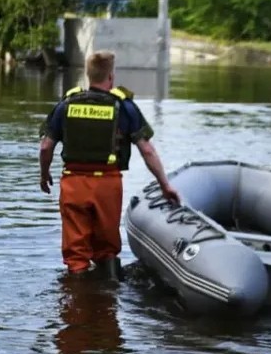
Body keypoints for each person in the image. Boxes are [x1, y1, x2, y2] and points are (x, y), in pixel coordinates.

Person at [39, 51, 181, 278]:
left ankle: (76, 301)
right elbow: (147, 150)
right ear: (111, 77)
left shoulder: (66, 104)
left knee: (76, 254)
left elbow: (46, 146)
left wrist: (44, 174)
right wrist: (164, 185)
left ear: (88, 75)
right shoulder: (124, 107)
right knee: (107, 248)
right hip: (108, 184)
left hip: (73, 182)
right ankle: (108, 299)